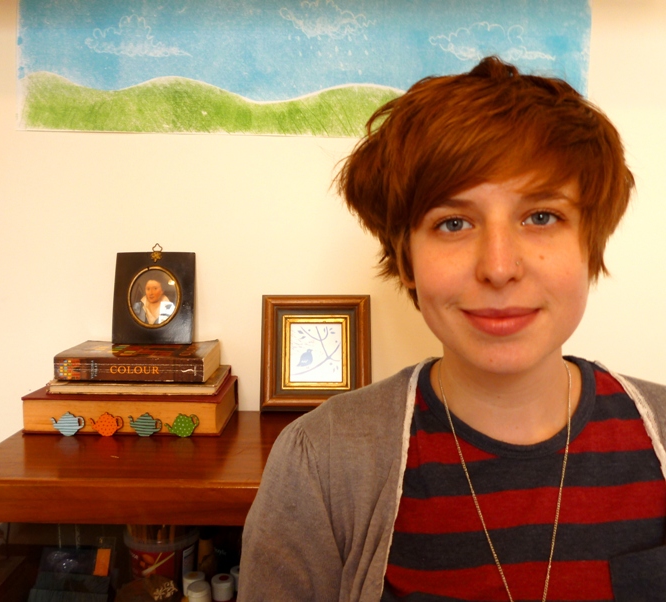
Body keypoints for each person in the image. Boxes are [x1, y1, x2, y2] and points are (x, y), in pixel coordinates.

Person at [238, 57, 666, 601]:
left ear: (590, 244)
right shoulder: (319, 462)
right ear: (407, 259)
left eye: (541, 216)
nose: (499, 267)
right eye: (453, 223)